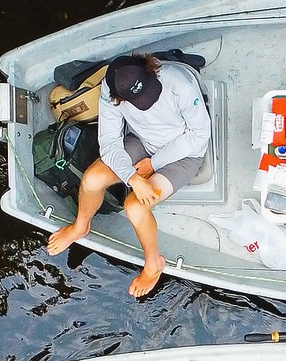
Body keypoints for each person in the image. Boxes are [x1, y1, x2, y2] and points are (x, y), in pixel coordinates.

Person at [46, 54, 211, 297]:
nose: (150, 102)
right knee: (92, 180)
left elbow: (199, 134)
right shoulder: (109, 91)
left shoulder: (180, 84)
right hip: (142, 142)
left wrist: (154, 163)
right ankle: (81, 226)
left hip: (184, 153)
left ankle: (154, 263)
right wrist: (133, 178)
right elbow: (110, 143)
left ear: (150, 69)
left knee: (135, 206)